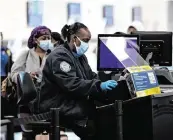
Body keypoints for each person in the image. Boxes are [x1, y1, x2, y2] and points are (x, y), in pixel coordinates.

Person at [38, 22, 118, 140]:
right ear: (74, 38)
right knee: (98, 123)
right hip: (59, 105)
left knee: (106, 113)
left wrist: (100, 84)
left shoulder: (79, 56)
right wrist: (98, 86)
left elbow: (90, 76)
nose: (87, 44)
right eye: (85, 40)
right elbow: (71, 84)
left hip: (71, 102)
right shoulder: (59, 56)